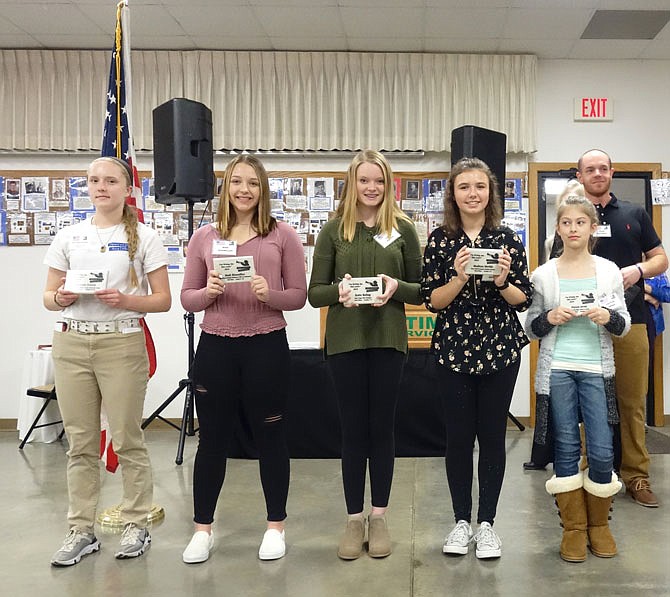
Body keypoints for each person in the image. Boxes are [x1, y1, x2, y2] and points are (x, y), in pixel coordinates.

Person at [44, 156, 171, 566]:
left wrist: (126, 300)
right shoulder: (68, 236)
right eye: (95, 180)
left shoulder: (146, 238)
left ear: (127, 188)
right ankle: (81, 530)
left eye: (111, 180)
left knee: (127, 437)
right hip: (72, 344)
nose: (102, 187)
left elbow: (163, 300)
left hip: (121, 343)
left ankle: (137, 523)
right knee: (80, 444)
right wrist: (59, 298)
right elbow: (48, 297)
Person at [180, 155, 307, 564]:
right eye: (237, 182)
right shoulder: (204, 237)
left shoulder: (282, 235)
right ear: (226, 187)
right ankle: (203, 529)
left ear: (263, 189)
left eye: (253, 183)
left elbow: (298, 296)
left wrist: (270, 295)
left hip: (266, 345)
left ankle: (275, 526)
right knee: (213, 438)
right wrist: (208, 294)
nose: (244, 190)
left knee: (271, 434)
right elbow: (187, 297)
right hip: (216, 346)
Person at [308, 149, 422, 560]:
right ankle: (354, 518)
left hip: (389, 341)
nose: (371, 188)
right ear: (351, 184)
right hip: (345, 344)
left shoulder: (404, 229)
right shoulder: (334, 230)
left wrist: (396, 287)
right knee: (353, 431)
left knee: (382, 430)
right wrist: (338, 292)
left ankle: (379, 516)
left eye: (379, 181)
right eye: (364, 181)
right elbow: (313, 293)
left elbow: (421, 288)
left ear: (388, 185)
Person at [420, 157, 532, 560]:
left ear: (491, 193)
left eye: (480, 187)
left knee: (492, 438)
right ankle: (460, 521)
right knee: (458, 439)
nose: (472, 194)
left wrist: (503, 281)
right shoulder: (439, 240)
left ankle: (487, 524)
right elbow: (432, 301)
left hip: (499, 350)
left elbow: (524, 300)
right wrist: (459, 277)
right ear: (453, 193)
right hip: (453, 351)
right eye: (464, 186)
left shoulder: (507, 239)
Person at [525, 183, 630, 562]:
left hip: (597, 371)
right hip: (558, 371)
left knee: (601, 451)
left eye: (580, 222)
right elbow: (530, 326)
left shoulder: (608, 271)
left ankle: (600, 525)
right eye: (566, 222)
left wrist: (609, 316)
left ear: (592, 227)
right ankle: (574, 529)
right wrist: (549, 318)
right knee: (566, 448)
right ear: (557, 228)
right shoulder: (544, 275)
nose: (573, 228)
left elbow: (624, 323)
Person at [576, 149, 668, 507]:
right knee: (590, 402)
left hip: (633, 324)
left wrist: (640, 271)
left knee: (632, 403)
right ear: (580, 176)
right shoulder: (574, 216)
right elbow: (558, 263)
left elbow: (661, 258)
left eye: (603, 168)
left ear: (611, 172)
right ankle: (591, 471)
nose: (597, 173)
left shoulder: (635, 213)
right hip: (586, 326)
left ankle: (637, 476)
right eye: (590, 169)